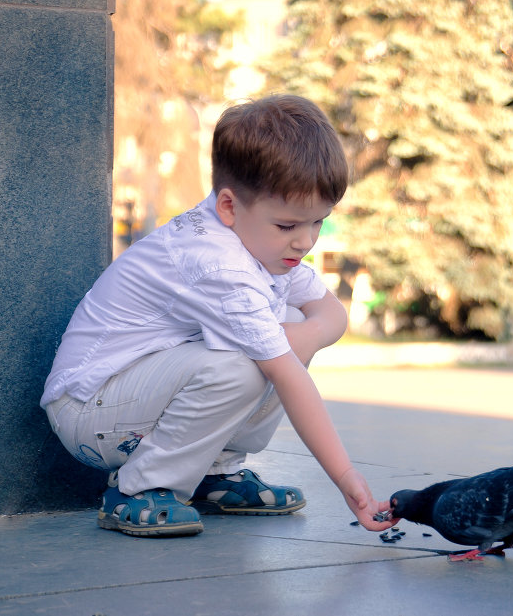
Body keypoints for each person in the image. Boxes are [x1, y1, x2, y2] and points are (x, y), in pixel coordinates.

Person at [41, 95, 396, 537]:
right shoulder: (218, 264)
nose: (305, 241)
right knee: (249, 358)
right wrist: (345, 476)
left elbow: (329, 312)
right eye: (288, 226)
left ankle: (215, 474)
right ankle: (139, 489)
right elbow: (286, 372)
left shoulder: (256, 242)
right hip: (87, 410)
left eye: (318, 222)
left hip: (131, 400)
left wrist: (307, 335)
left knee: (275, 329)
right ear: (229, 206)